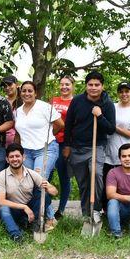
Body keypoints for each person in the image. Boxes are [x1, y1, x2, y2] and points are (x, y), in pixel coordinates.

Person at [63, 71, 116, 229]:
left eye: (97, 85)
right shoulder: (77, 101)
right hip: (77, 148)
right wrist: (67, 145)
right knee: (84, 184)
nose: (93, 88)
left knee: (97, 174)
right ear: (86, 86)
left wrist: (99, 116)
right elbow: (69, 124)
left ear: (102, 86)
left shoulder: (107, 104)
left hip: (96, 147)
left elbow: (111, 129)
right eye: (90, 85)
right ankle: (87, 215)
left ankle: (97, 209)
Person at [15, 80, 61, 230]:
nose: (27, 93)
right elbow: (18, 133)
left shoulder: (45, 107)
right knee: (28, 183)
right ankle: (45, 216)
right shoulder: (18, 111)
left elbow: (60, 124)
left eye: (30, 91)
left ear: (35, 93)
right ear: (20, 93)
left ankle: (49, 218)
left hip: (45, 148)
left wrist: (48, 138)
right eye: (24, 91)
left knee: (39, 181)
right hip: (27, 151)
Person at [0, 144, 57, 242]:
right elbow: (1, 201)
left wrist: (48, 187)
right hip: (14, 210)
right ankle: (16, 235)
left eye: (17, 156)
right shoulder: (2, 176)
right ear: (7, 160)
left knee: (44, 195)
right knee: (3, 208)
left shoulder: (32, 174)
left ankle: (35, 225)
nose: (15, 159)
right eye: (11, 157)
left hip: (32, 210)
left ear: (23, 157)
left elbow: (54, 192)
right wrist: (24, 207)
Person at [103, 82, 130, 191]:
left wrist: (113, 127)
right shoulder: (111, 106)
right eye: (121, 92)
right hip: (107, 153)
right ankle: (107, 208)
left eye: (127, 91)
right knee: (107, 185)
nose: (124, 94)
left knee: (122, 186)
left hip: (124, 155)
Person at [50, 76, 74, 219]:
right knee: (48, 175)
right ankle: (46, 207)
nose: (64, 87)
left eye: (67, 84)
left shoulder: (75, 102)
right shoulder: (53, 100)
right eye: (62, 84)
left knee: (64, 176)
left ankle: (61, 210)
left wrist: (69, 145)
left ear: (72, 85)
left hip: (64, 143)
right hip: (51, 142)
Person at [2, 75, 22, 147]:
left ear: (17, 85)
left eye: (10, 84)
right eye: (4, 86)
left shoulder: (24, 101)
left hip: (20, 141)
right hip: (2, 141)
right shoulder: (1, 102)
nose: (7, 88)